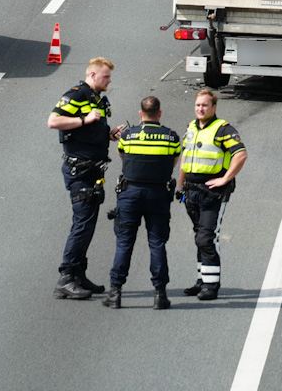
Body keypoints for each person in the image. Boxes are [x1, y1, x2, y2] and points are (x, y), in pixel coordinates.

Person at [48, 57, 121, 300]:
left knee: (88, 223)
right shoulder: (77, 94)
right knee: (82, 223)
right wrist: (83, 120)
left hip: (93, 170)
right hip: (79, 170)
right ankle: (66, 277)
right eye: (106, 77)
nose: (109, 81)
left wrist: (108, 135)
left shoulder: (98, 98)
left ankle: (79, 274)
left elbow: (92, 129)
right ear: (92, 75)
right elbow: (53, 121)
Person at [103, 95, 183, 310]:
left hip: (130, 194)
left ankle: (115, 293)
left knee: (124, 243)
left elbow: (123, 158)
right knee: (157, 243)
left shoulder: (128, 136)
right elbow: (174, 162)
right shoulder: (171, 138)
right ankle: (160, 295)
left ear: (140, 113)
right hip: (158, 195)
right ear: (160, 113)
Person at [176, 89, 248, 301]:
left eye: (205, 105)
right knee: (199, 236)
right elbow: (185, 159)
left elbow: (241, 154)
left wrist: (225, 179)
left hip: (212, 193)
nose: (200, 109)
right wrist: (179, 187)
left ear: (214, 107)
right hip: (191, 191)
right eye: (198, 105)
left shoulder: (223, 129)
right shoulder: (191, 128)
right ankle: (202, 280)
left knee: (206, 237)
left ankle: (211, 285)